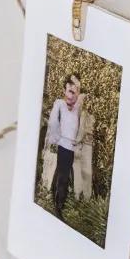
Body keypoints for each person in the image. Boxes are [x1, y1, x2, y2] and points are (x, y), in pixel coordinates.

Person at [44, 73, 83, 220]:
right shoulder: (59, 103)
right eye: (69, 91)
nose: (72, 95)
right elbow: (53, 122)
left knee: (61, 172)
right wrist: (57, 138)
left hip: (71, 146)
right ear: (64, 91)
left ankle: (55, 197)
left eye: (75, 92)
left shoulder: (78, 105)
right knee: (63, 176)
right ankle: (58, 207)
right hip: (64, 144)